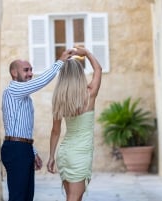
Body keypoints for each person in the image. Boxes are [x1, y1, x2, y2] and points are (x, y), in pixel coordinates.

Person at [1, 49, 76, 201]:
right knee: (18, 197)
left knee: (27, 197)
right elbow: (40, 82)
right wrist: (60, 61)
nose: (30, 74)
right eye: (26, 70)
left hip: (23, 148)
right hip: (15, 150)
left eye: (31, 70)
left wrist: (32, 151)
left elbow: (21, 129)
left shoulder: (26, 98)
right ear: (14, 73)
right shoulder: (13, 89)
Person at [47, 47, 102, 201]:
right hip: (80, 154)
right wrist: (87, 53)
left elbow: (55, 131)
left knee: (73, 198)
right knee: (74, 197)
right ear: (80, 74)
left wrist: (52, 156)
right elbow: (98, 69)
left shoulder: (59, 99)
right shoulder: (89, 94)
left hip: (65, 153)